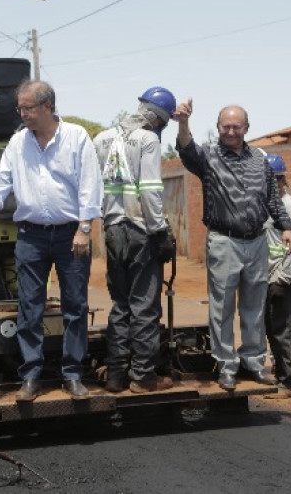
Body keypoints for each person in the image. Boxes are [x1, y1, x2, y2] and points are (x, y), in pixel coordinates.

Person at [0, 80, 103, 401]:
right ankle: (31, 376)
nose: (22, 113)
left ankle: (73, 375)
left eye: (27, 107)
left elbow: (90, 185)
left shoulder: (76, 138)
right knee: (29, 307)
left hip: (71, 234)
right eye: (20, 107)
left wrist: (84, 229)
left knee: (75, 306)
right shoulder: (18, 143)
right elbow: (1, 183)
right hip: (30, 235)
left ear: (47, 107)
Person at [175, 100, 291, 391]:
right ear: (217, 128)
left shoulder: (259, 161)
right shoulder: (208, 158)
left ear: (246, 128)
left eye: (236, 126)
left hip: (256, 242)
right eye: (225, 126)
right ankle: (226, 365)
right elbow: (187, 151)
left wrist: (286, 226)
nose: (230, 131)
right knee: (222, 306)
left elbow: (272, 200)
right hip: (223, 241)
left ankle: (253, 362)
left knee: (254, 306)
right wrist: (183, 123)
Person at [93, 87, 177, 394]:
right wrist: (160, 232)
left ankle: (116, 375)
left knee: (121, 304)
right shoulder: (148, 139)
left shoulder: (101, 138)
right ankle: (143, 376)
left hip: (112, 231)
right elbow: (151, 191)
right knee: (144, 306)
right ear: (159, 120)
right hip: (141, 231)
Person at [262, 154, 291, 398]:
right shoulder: (269, 204)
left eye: (274, 179)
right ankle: (282, 374)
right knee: (273, 328)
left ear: (281, 180)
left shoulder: (288, 206)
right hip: (271, 276)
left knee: (286, 329)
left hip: (284, 278)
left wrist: (283, 277)